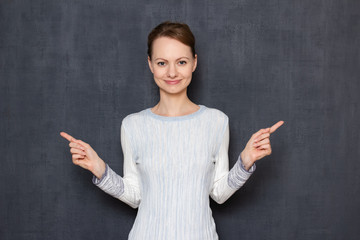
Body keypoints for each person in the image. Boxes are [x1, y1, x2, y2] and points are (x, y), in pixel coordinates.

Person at [60, 21, 284, 240]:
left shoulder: (216, 121)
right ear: (150, 64)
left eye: (182, 62)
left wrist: (244, 163)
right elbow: (136, 196)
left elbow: (219, 193)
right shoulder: (133, 125)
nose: (172, 72)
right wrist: (100, 170)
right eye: (161, 63)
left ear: (194, 63)